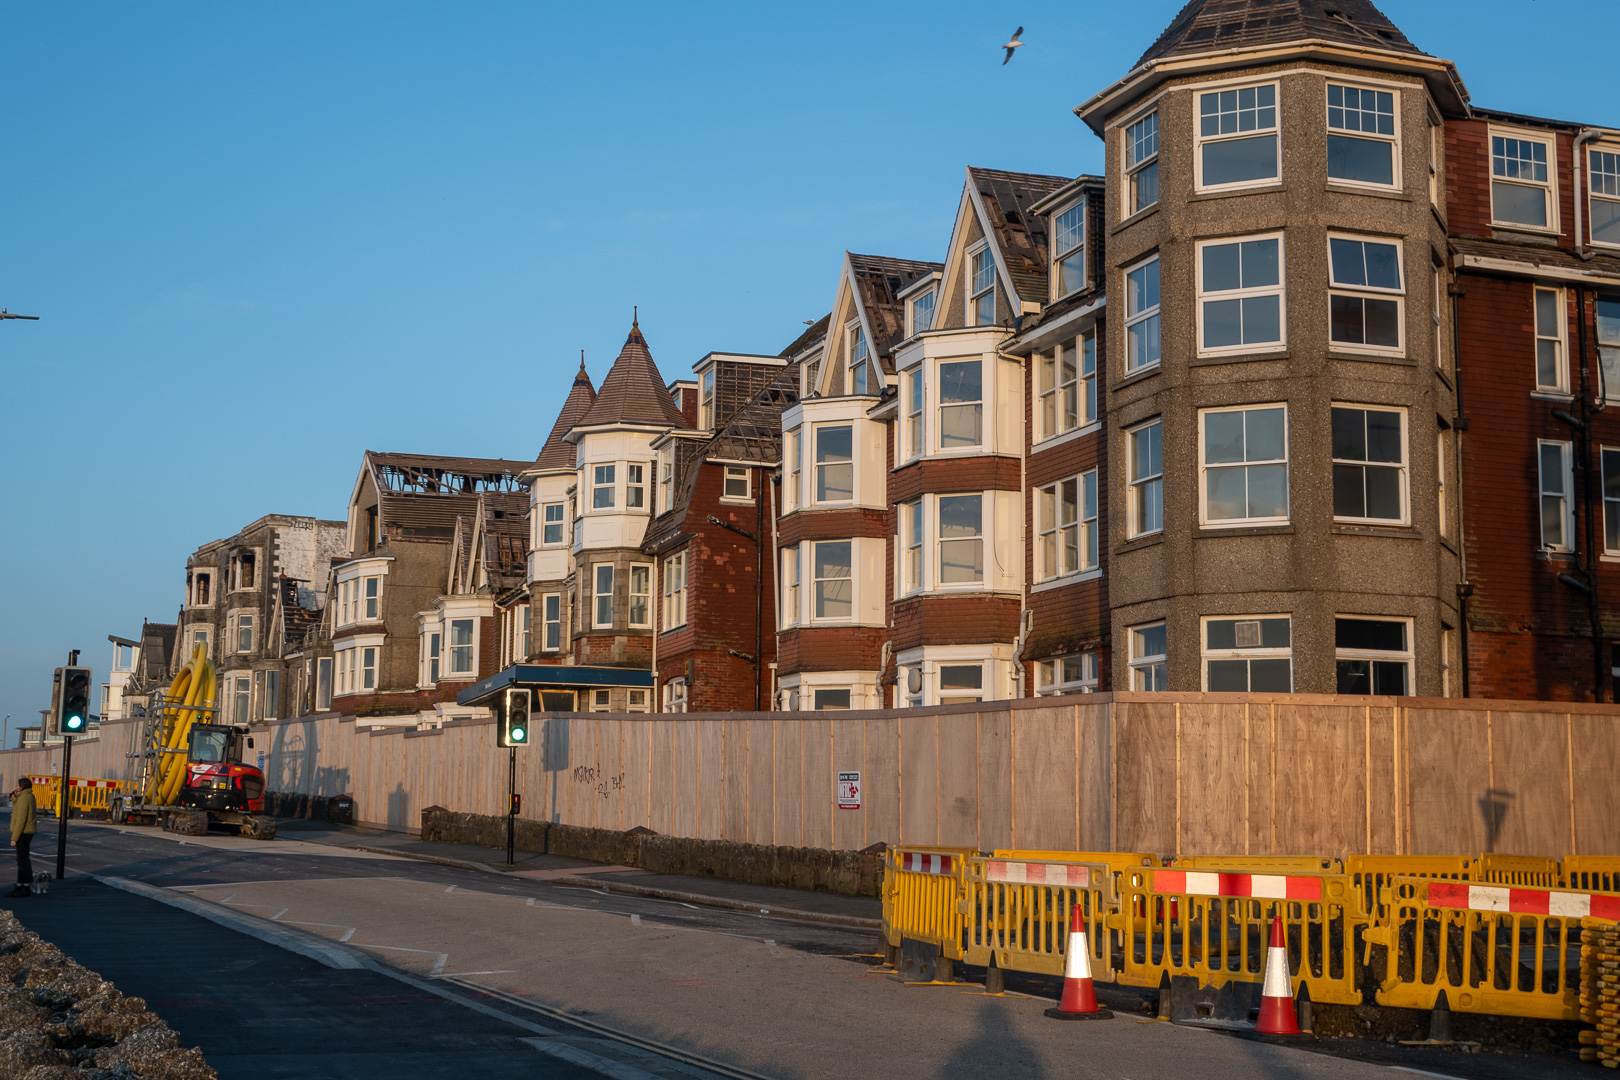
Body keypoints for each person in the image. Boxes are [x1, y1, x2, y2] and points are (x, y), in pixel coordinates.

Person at [9, 778, 36, 898]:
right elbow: (20, 808)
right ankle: (21, 885)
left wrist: (14, 838)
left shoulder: (24, 798)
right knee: (23, 860)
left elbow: (21, 820)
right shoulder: (28, 796)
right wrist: (14, 799)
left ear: (22, 786)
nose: (16, 787)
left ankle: (24, 887)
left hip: (23, 833)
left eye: (18, 785)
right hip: (27, 832)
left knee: (22, 861)